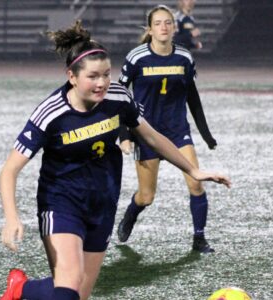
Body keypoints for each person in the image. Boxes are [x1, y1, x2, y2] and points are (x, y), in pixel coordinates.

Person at [0, 20, 230, 300]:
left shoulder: (119, 98)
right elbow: (9, 170)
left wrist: (194, 169)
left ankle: (21, 289)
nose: (102, 83)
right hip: (61, 203)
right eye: (93, 76)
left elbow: (153, 138)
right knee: (68, 285)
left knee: (77, 293)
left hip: (102, 202)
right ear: (71, 76)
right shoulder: (51, 113)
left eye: (107, 74)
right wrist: (11, 218)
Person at [116, 5, 218, 254]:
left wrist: (205, 135)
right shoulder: (136, 57)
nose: (163, 27)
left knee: (196, 183)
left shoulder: (184, 57)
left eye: (168, 23)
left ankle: (199, 239)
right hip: (146, 134)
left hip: (177, 132)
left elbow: (192, 97)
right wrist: (125, 135)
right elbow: (119, 96)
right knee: (147, 196)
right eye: (158, 23)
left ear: (173, 27)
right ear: (150, 29)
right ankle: (130, 215)